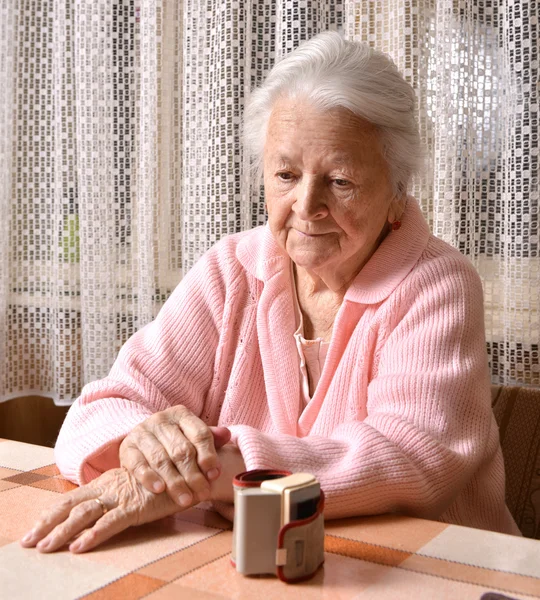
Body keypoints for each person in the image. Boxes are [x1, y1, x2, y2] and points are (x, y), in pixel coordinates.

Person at [21, 32, 520, 555]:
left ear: (397, 192)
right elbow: (102, 408)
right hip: (265, 565)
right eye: (286, 174)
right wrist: (143, 446)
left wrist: (207, 470)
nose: (306, 205)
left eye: (341, 181)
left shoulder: (437, 284)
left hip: (432, 570)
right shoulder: (230, 270)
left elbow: (409, 459)